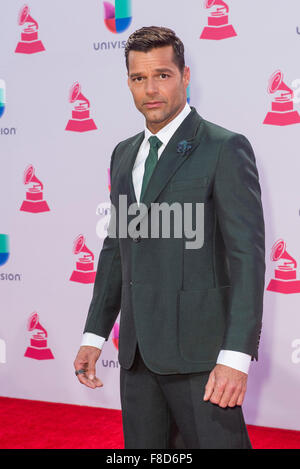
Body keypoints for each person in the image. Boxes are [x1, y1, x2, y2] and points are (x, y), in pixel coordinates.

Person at [74, 26, 265, 449]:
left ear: (185, 75)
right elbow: (117, 251)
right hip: (138, 356)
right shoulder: (124, 154)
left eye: (162, 75)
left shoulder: (223, 147)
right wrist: (94, 335)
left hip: (203, 357)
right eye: (139, 79)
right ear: (128, 83)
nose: (150, 89)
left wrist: (235, 357)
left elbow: (246, 258)